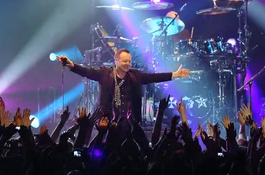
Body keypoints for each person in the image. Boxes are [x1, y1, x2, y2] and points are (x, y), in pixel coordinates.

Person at [57, 48, 190, 121]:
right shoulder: (104, 73)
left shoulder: (135, 75)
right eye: (124, 61)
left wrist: (174, 75)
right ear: (116, 61)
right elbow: (87, 71)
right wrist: (72, 65)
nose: (128, 64)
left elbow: (153, 77)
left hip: (130, 120)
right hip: (107, 119)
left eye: (129, 61)